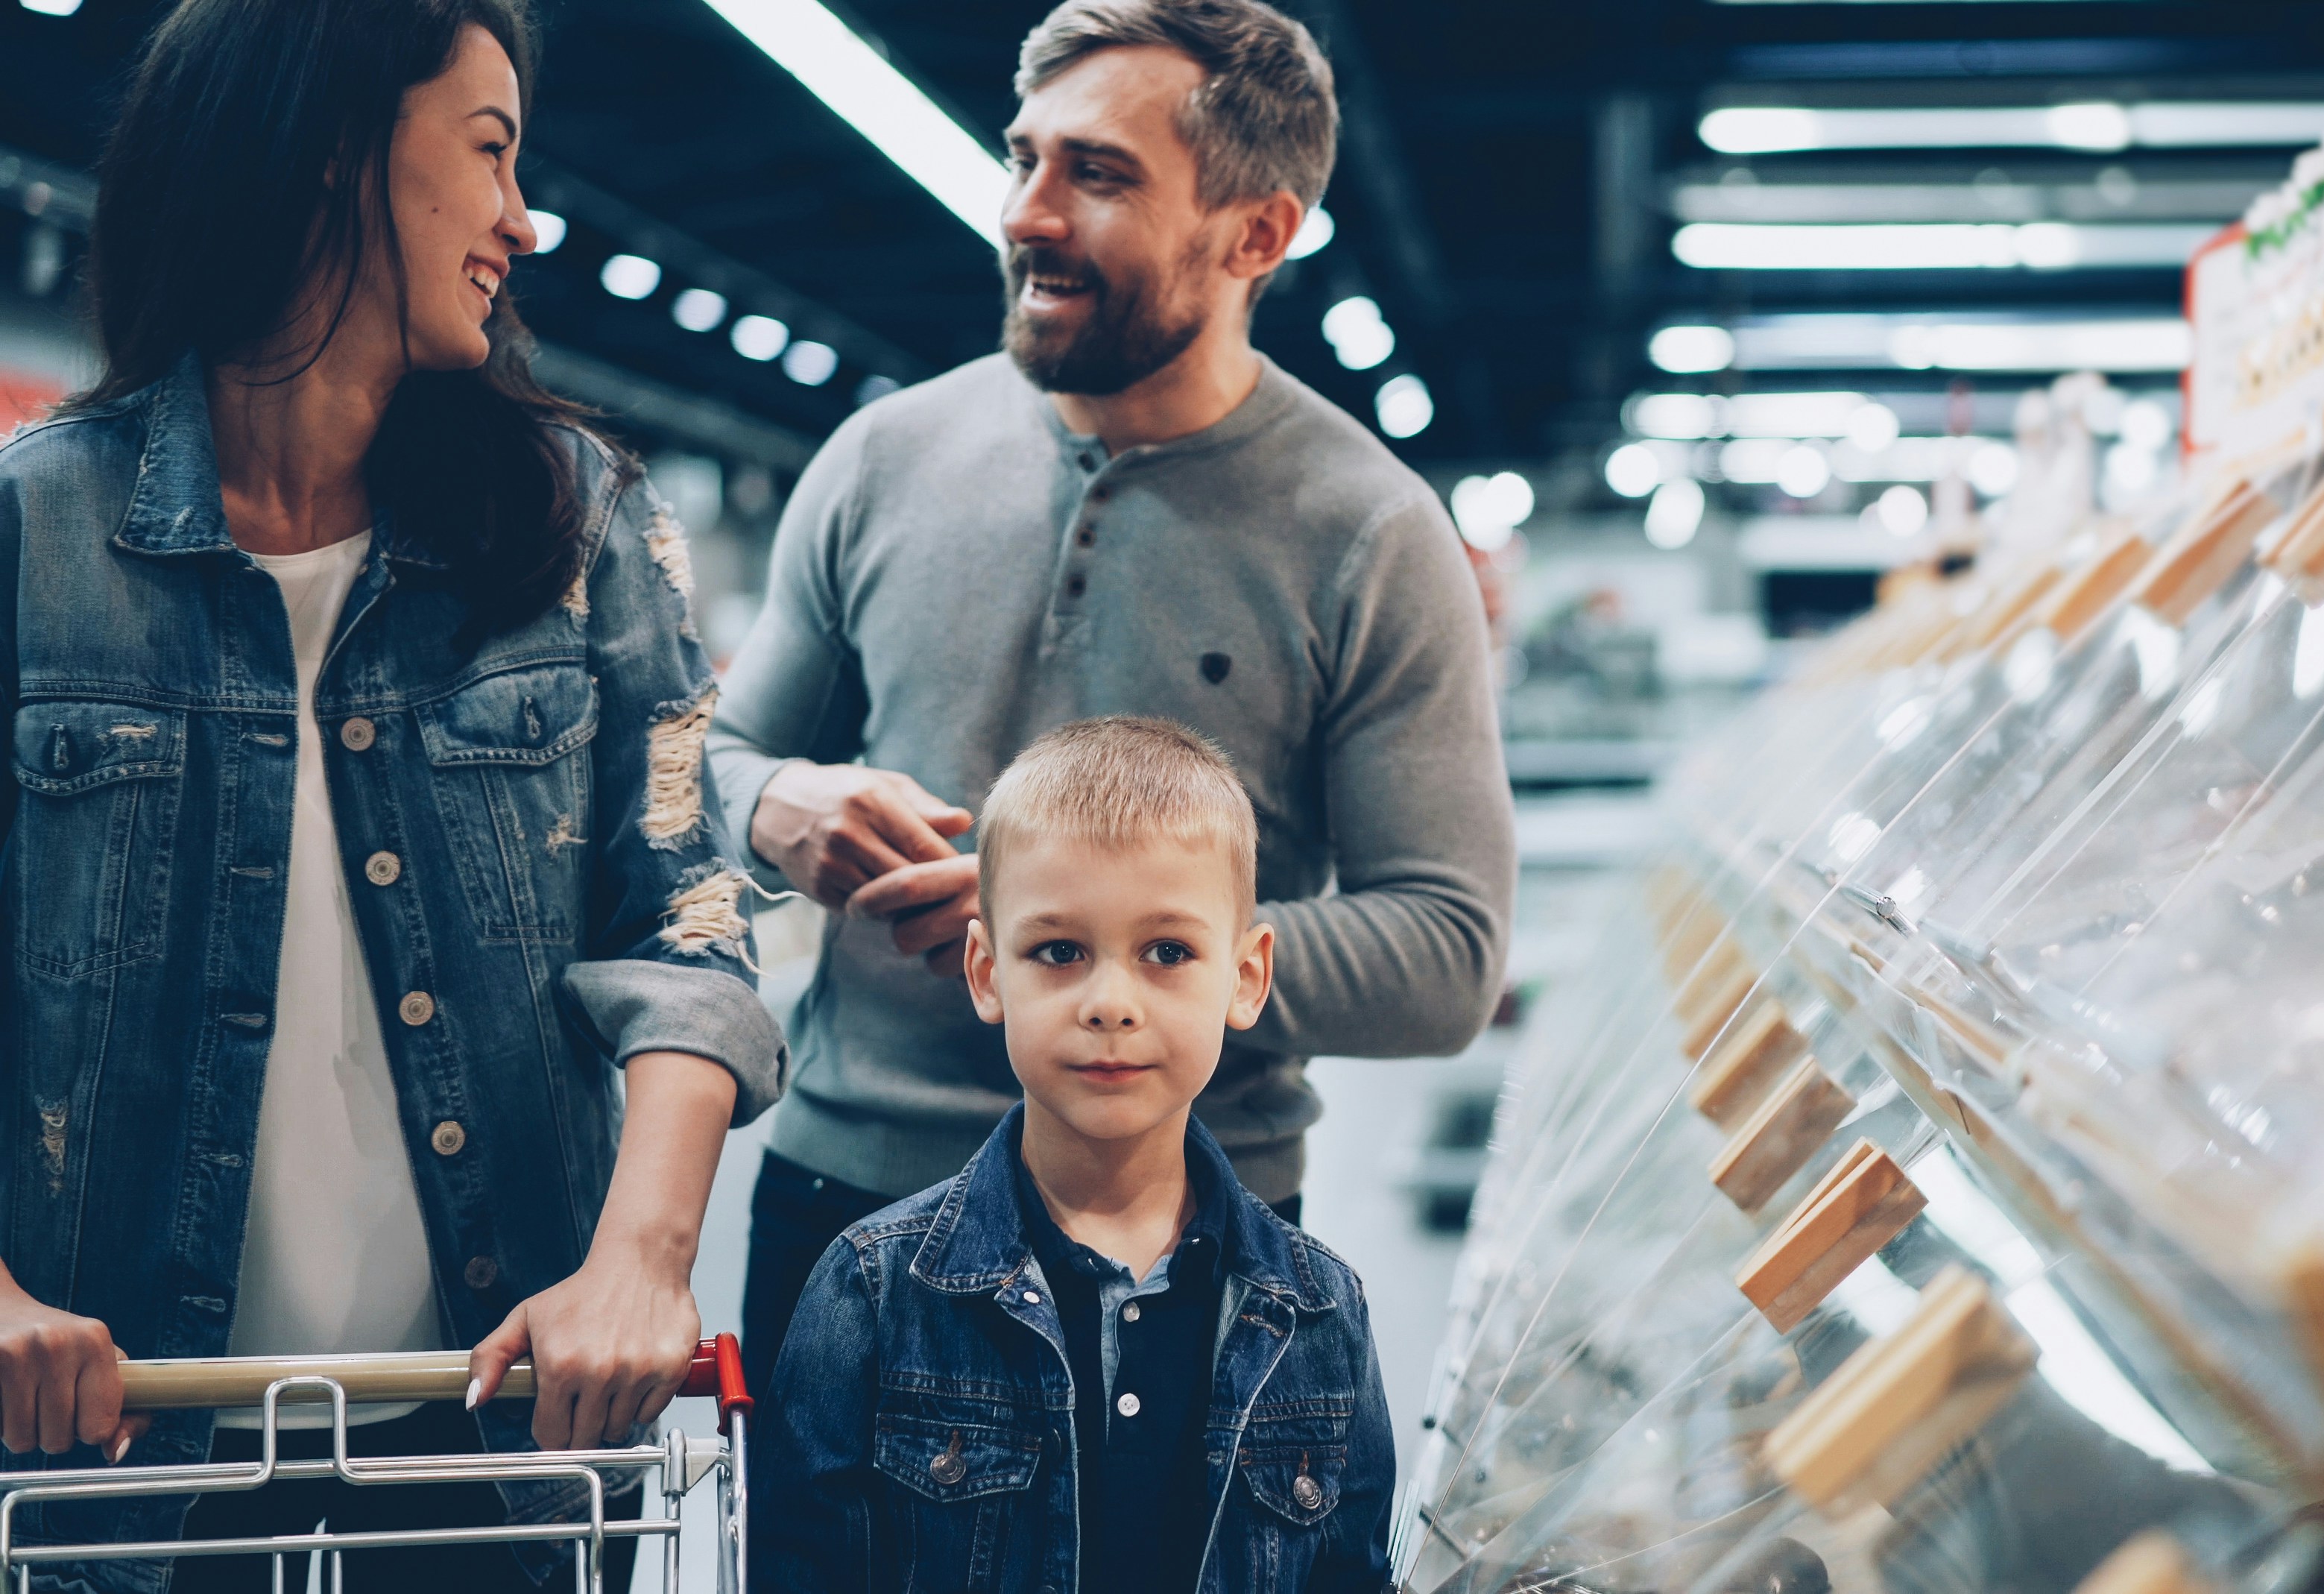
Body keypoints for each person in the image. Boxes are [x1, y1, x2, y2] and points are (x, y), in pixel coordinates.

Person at [0, 0, 783, 1587]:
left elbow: (690, 914)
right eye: (488, 153)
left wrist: (641, 1258)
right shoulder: (33, 539)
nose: (522, 215)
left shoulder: (582, 526)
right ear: (329, 153)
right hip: (115, 1465)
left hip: (488, 1444)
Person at [710, 0, 1515, 1397]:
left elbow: (1446, 950)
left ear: (1256, 235)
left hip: (1193, 1241)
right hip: (850, 1206)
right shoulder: (882, 459)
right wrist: (778, 802)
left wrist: (1118, 948)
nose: (1026, 214)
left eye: (1098, 174)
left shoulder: (1368, 534)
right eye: (1022, 160)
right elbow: (705, 755)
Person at [754, 717, 1394, 1594]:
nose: (1109, 1002)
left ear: (1245, 977)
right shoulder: (869, 1288)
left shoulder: (1321, 1310)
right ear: (986, 971)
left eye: (1167, 952)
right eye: (1058, 951)